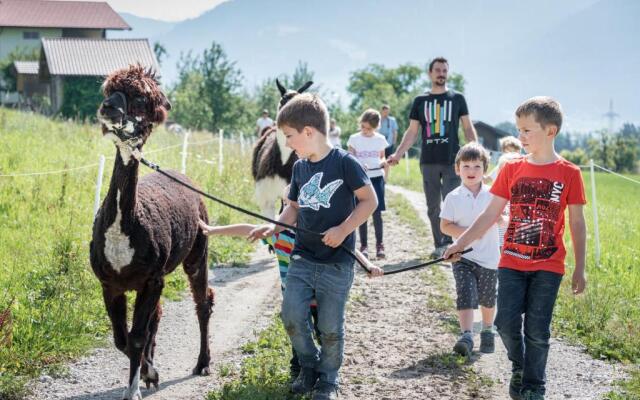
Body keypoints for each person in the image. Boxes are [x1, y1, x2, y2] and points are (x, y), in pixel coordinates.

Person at [443, 96, 587, 400]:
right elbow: (490, 214)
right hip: (511, 262)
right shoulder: (512, 169)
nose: (520, 137)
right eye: (518, 130)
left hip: (549, 265)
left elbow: (577, 222)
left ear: (550, 131)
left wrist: (580, 267)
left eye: (527, 130)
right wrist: (460, 243)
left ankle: (534, 386)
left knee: (537, 330)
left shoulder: (569, 173)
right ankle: (519, 365)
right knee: (506, 324)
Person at [249, 92, 379, 400]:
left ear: (309, 132)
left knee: (330, 326)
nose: (289, 144)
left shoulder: (345, 164)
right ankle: (308, 366)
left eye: (290, 137)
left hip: (337, 261)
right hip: (303, 257)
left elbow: (369, 201)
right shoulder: (299, 168)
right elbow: (292, 208)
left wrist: (343, 228)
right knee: (292, 316)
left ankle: (328, 379)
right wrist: (275, 226)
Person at [197, 193, 382, 381]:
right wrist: (214, 230)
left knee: (325, 335)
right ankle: (300, 371)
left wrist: (368, 265)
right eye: (289, 205)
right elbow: (249, 229)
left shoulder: (318, 233)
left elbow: (350, 248)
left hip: (320, 299)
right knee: (298, 338)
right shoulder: (277, 235)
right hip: (295, 299)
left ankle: (327, 373)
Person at [387, 57, 478, 259]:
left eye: (444, 70)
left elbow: (467, 127)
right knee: (433, 206)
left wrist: (476, 150)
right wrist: (398, 154)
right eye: (437, 70)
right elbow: (411, 132)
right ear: (430, 73)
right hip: (428, 161)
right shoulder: (420, 101)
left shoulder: (457, 99)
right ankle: (440, 245)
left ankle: (454, 243)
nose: (441, 73)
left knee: (452, 203)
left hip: (452, 160)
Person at [439, 143, 500, 357]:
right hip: (462, 257)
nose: (471, 171)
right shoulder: (453, 197)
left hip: (489, 257)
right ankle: (466, 335)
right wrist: (469, 232)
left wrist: (501, 220)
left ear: (485, 169)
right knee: (465, 293)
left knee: (487, 297)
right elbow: (445, 226)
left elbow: (504, 219)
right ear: (457, 169)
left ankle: (487, 329)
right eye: (466, 166)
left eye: (477, 166)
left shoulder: (493, 195)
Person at [347, 108, 389, 259]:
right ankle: (363, 245)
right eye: (362, 127)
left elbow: (382, 157)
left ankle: (380, 245)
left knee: (377, 213)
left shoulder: (380, 139)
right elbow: (350, 158)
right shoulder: (354, 138)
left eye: (368, 128)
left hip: (376, 177)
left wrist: (384, 163)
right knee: (362, 212)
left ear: (376, 127)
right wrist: (358, 165)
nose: (365, 131)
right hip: (361, 180)